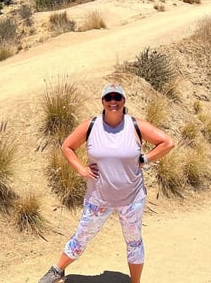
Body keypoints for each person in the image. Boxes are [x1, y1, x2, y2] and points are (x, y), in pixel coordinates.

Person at [38, 83, 175, 283]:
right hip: (98, 199)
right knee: (82, 236)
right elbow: (67, 146)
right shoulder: (91, 125)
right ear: (102, 101)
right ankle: (57, 270)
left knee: (134, 242)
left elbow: (167, 143)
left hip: (132, 199)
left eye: (117, 97)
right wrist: (81, 169)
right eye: (109, 98)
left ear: (124, 101)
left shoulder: (134, 125)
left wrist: (145, 159)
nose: (113, 102)